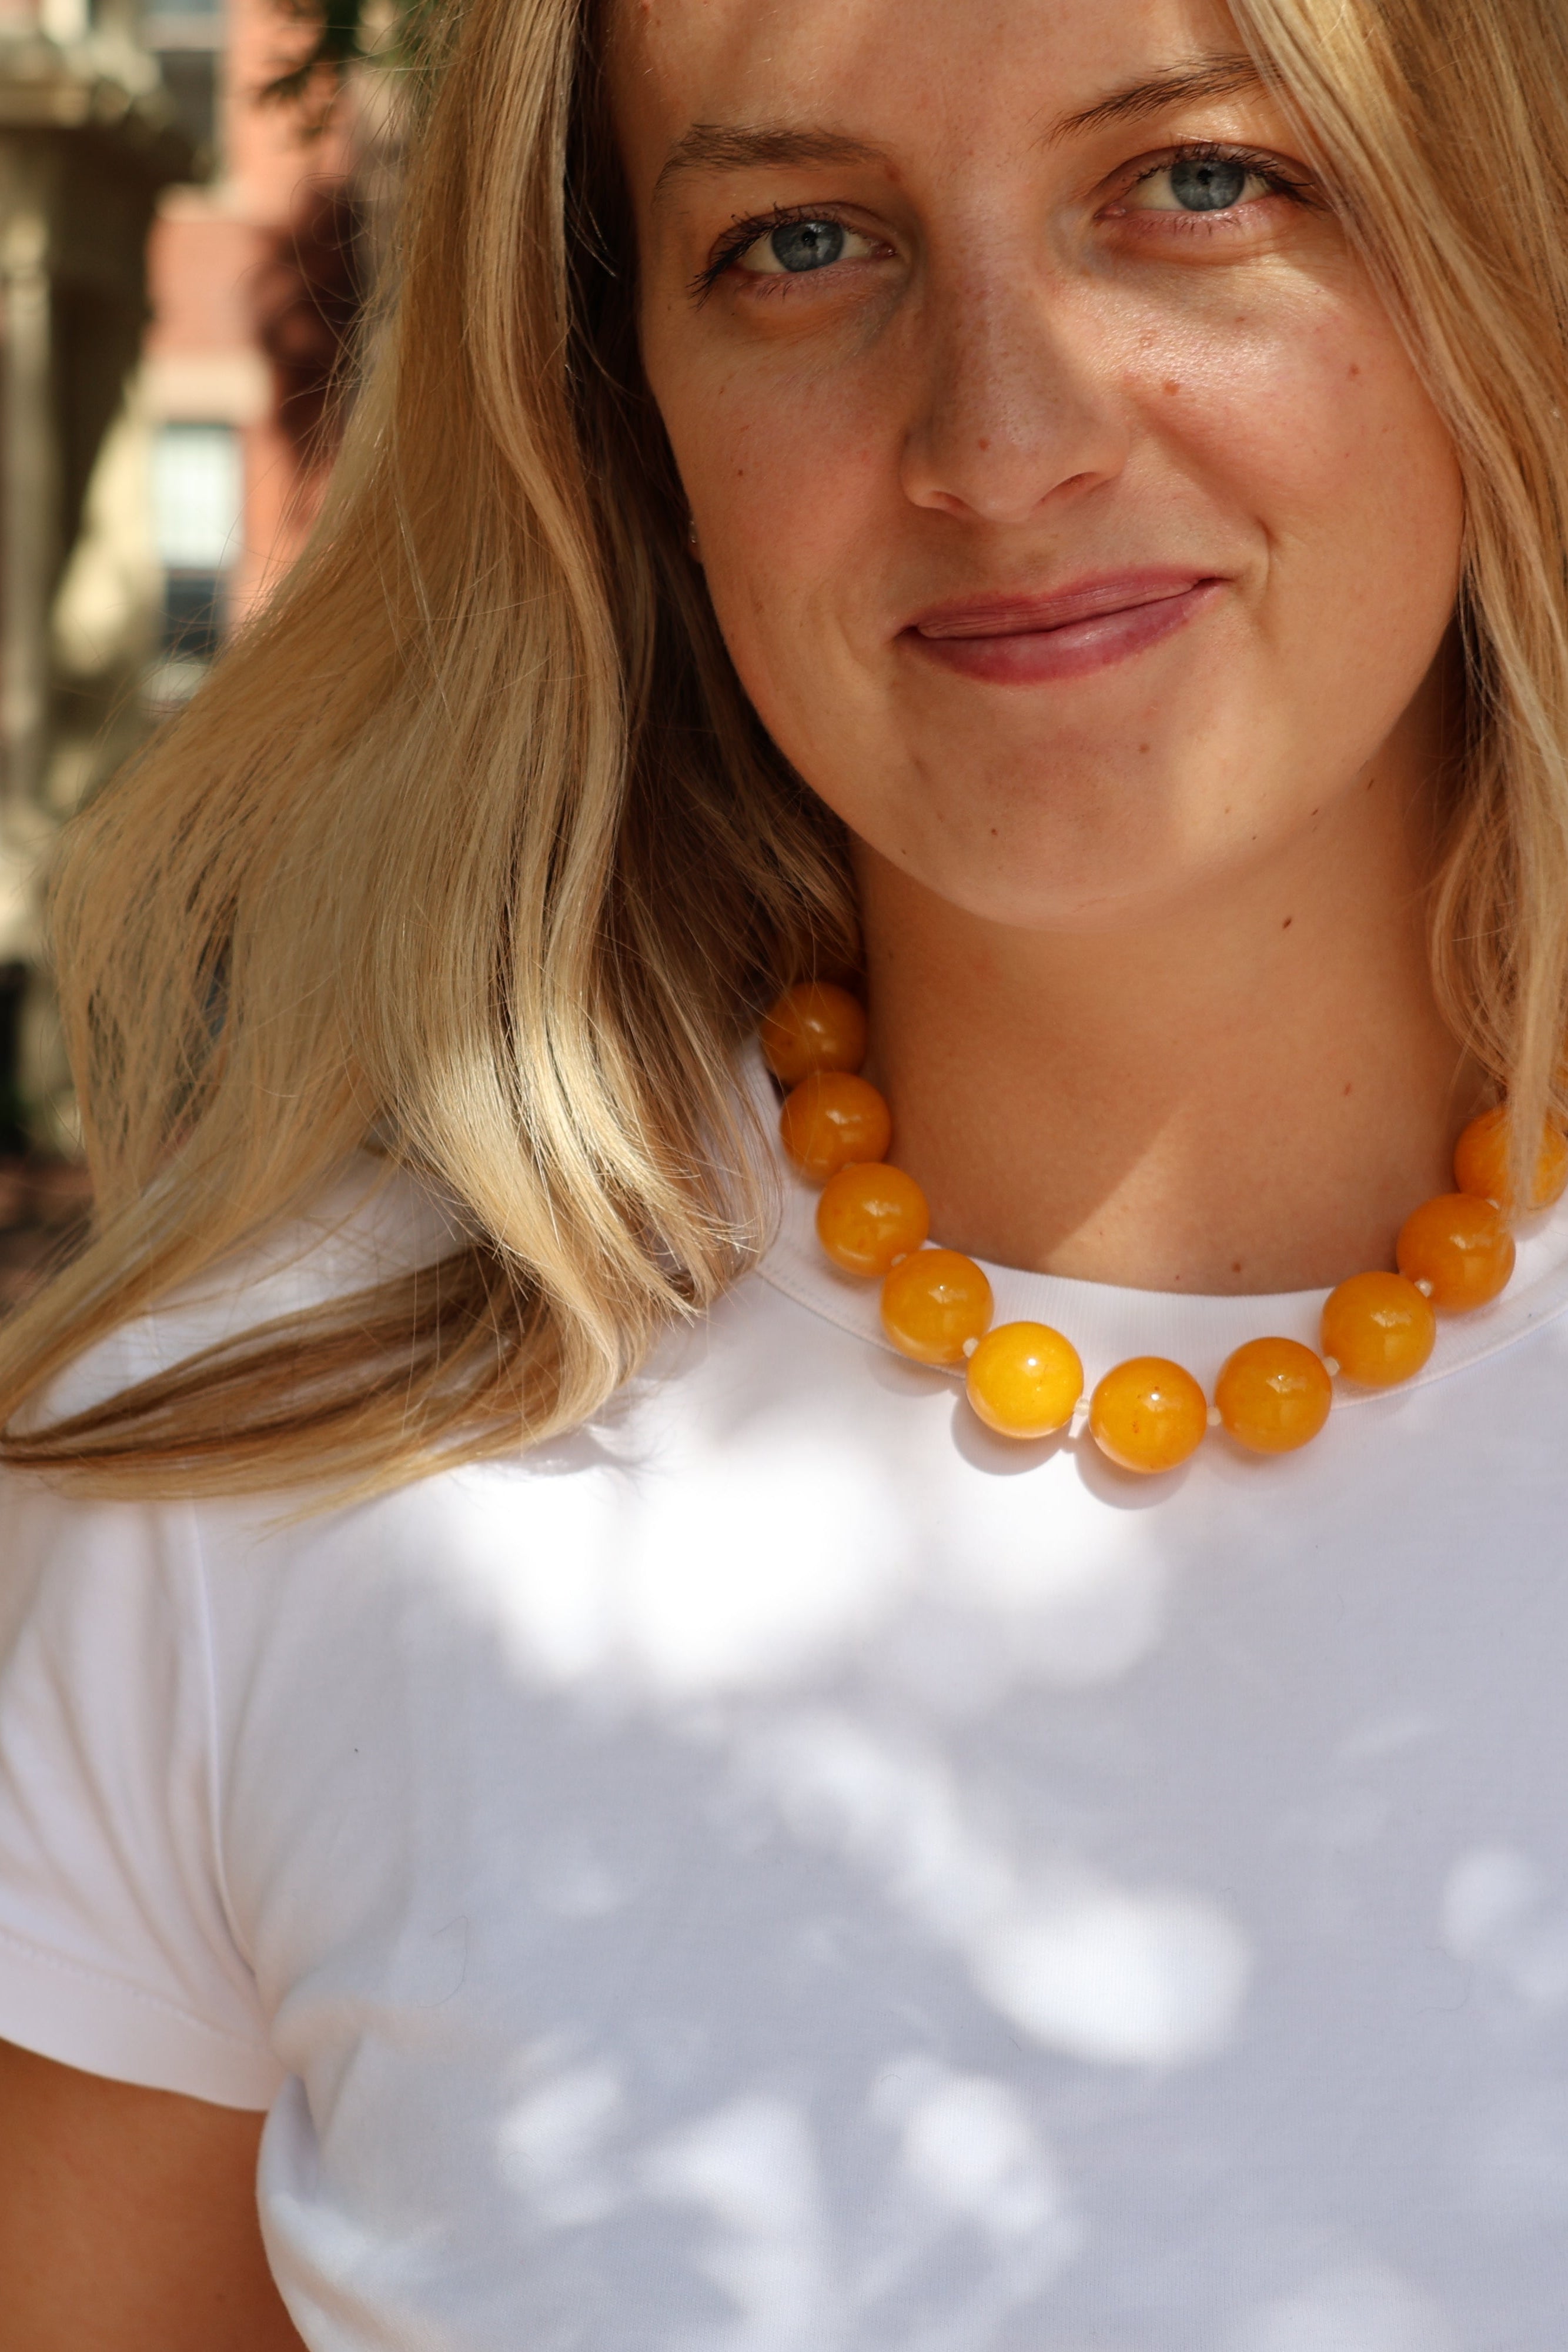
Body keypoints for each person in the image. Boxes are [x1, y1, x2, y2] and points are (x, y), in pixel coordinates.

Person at [4, 0, 1568, 2340]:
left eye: (1198, 181)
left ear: (1499, 251)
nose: (1001, 442)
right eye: (801, 240)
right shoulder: (258, 1468)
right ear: (621, 415)